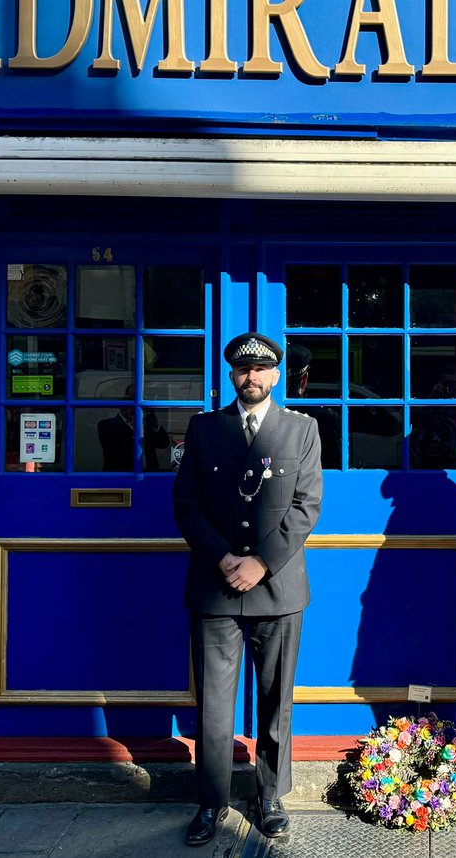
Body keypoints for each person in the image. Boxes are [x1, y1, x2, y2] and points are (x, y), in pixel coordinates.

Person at [172, 332, 322, 846]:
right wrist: (224, 557)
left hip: (277, 589)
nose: (251, 378)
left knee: (276, 700)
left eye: (261, 370)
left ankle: (271, 795)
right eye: (242, 370)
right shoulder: (204, 429)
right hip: (216, 588)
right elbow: (186, 505)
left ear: (276, 375)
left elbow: (306, 507)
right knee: (214, 705)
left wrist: (260, 563)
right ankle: (211, 803)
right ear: (231, 375)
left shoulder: (301, 430)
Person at [97, 385, 169, 471]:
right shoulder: (106, 425)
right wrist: (134, 428)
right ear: (122, 403)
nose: (134, 409)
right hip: (121, 476)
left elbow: (164, 444)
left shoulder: (147, 424)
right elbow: (113, 448)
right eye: (130, 399)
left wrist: (156, 426)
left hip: (149, 475)